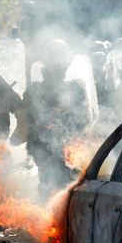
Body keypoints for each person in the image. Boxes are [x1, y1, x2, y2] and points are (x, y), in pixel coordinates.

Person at [12, 39, 90, 200]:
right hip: (50, 150)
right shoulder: (35, 91)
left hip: (63, 149)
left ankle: (54, 218)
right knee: (58, 186)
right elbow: (24, 121)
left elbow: (84, 121)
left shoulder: (74, 90)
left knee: (58, 187)